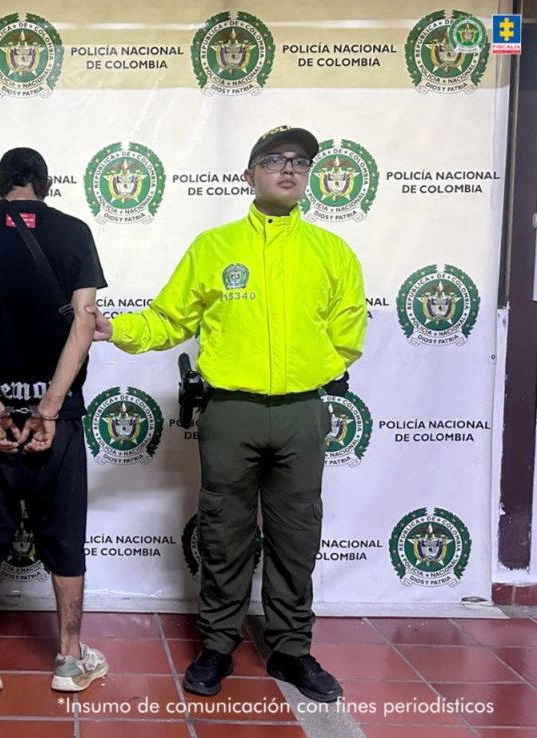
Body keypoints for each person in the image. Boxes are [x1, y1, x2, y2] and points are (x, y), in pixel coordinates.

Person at [90, 126, 366, 702]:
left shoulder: (333, 251)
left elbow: (347, 332)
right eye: (274, 160)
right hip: (230, 413)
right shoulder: (214, 247)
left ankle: (291, 649)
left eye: (300, 162)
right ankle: (217, 645)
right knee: (223, 535)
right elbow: (168, 318)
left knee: (297, 536)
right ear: (249, 175)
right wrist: (118, 329)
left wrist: (308, 370)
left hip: (301, 412)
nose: (289, 169)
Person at [0, 147, 109, 694]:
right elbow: (84, 325)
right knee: (66, 537)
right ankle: (70, 660)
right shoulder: (75, 231)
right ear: (45, 185)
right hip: (60, 420)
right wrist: (49, 407)